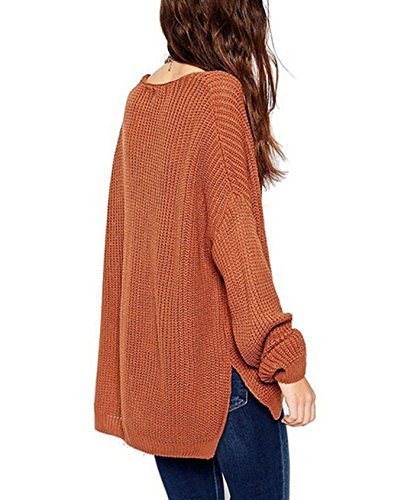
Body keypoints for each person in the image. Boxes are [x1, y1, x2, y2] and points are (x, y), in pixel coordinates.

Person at [94, 1, 316, 498]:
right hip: (224, 381)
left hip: (159, 384)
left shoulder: (139, 99)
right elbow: (237, 245)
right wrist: (284, 359)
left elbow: (124, 251)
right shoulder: (217, 96)